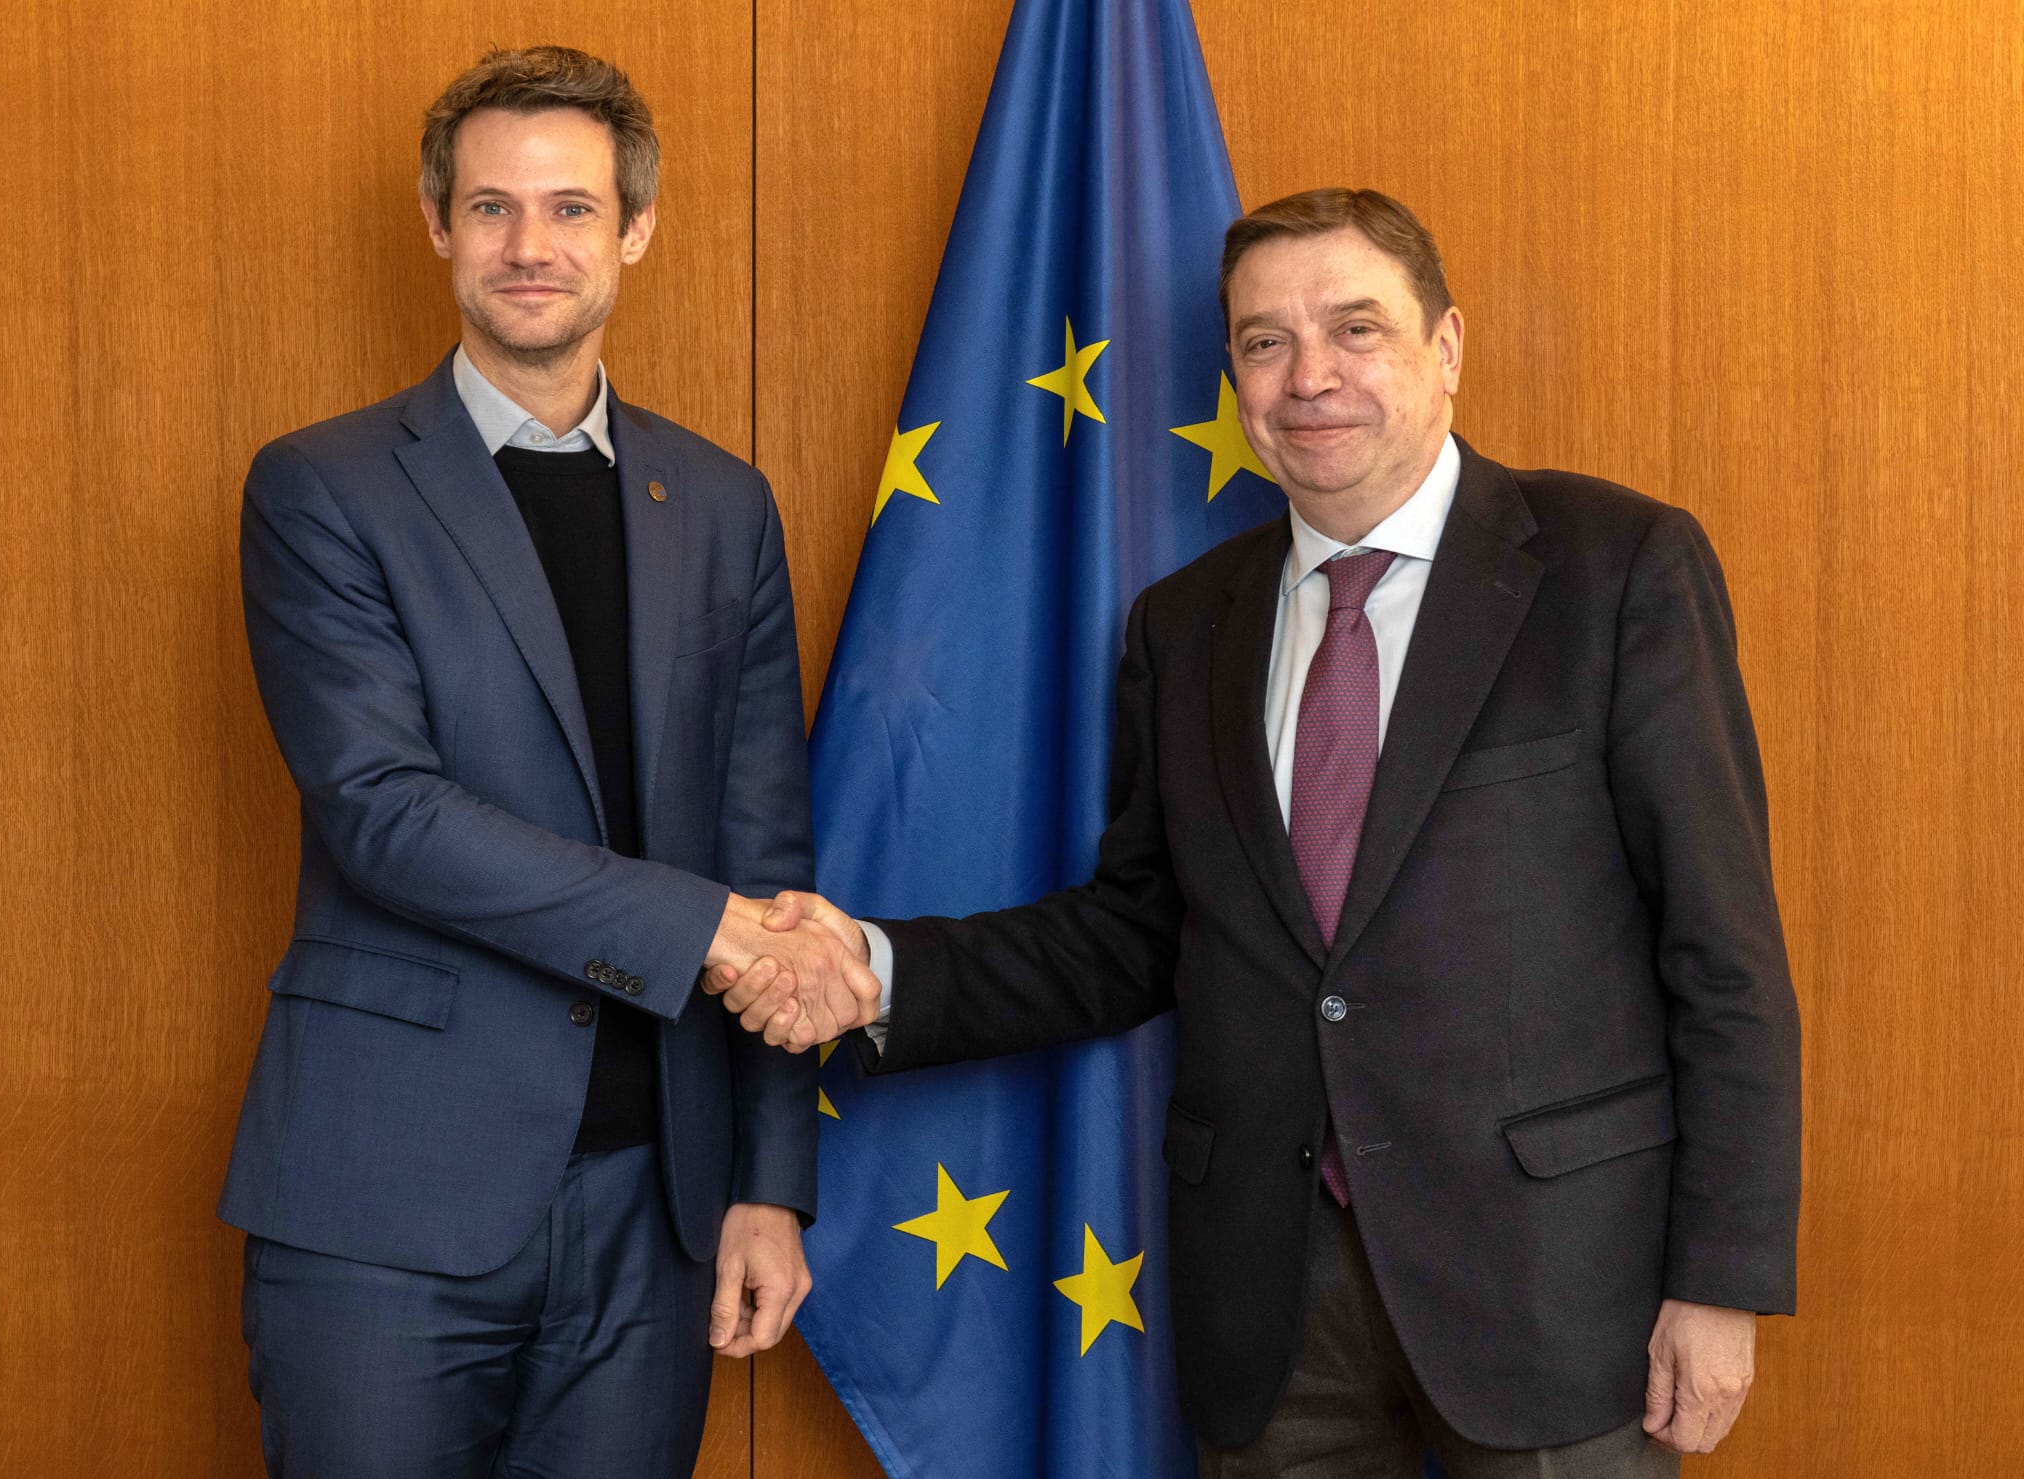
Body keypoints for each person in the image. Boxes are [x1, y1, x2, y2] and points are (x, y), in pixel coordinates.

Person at [714, 189, 1800, 1477]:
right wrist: (873, 969)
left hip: (1557, 1292)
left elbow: (1722, 953)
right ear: (1234, 381)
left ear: (1447, 347)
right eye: (1265, 342)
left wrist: (1721, 1279)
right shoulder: (1187, 624)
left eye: (1356, 329)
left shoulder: (1616, 567)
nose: (1310, 376)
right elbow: (1132, 935)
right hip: (1274, 1304)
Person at [219, 45, 873, 1478]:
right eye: (493, 207)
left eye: (571, 208)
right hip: (386, 1201)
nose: (532, 245)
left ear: (634, 229)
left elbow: (766, 850)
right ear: (437, 225)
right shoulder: (323, 488)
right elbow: (385, 816)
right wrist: (707, 932)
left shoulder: (724, 504)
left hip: (658, 1209)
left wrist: (770, 1182)